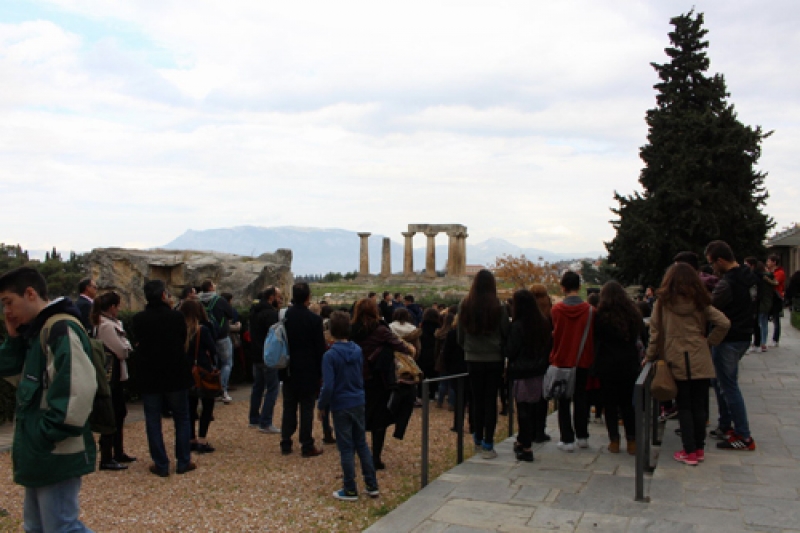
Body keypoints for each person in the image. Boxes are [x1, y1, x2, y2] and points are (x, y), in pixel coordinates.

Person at [0, 267, 97, 532]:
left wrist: (47, 434)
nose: (6, 311)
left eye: (8, 302)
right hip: (41, 450)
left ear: (30, 293)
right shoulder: (38, 332)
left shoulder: (60, 328)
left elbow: (78, 389)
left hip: (54, 449)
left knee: (61, 527)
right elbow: (11, 373)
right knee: (38, 526)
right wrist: (13, 339)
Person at [646, 263, 730, 465]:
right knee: (699, 405)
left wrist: (649, 356)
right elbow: (724, 323)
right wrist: (709, 342)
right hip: (699, 355)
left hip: (676, 356)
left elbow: (655, 333)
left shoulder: (663, 303)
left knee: (684, 406)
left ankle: (689, 450)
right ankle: (699, 449)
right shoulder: (701, 302)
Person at [132, 279, 195, 476]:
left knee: (153, 419)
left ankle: (161, 463)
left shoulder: (138, 319)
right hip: (175, 372)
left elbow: (138, 343)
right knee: (182, 418)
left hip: (150, 374)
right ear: (163, 295)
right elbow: (182, 338)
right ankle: (183, 460)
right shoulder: (176, 317)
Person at [317, 311, 379, 501]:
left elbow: (328, 386)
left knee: (345, 447)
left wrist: (321, 406)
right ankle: (371, 484)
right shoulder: (358, 350)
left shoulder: (330, 356)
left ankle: (350, 488)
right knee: (361, 443)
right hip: (358, 399)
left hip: (341, 403)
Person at [705, 240, 759, 451]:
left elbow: (711, 307)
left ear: (720, 260)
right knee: (721, 383)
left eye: (711, 264)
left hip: (728, 337)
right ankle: (726, 425)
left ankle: (743, 436)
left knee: (728, 386)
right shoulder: (749, 275)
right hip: (745, 334)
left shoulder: (728, 282)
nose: (712, 269)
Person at [350, 298, 414, 470]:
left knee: (357, 415)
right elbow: (403, 348)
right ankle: (376, 457)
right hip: (378, 379)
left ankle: (358, 452)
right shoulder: (381, 330)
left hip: (355, 377)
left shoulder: (351, 330)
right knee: (379, 418)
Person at [457, 269, 510, 459]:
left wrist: (469, 348)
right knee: (490, 400)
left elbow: (460, 336)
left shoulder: (465, 304)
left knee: (476, 399)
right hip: (493, 358)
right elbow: (505, 332)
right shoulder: (499, 306)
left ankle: (477, 436)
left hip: (473, 357)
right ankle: (488, 441)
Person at [592, 281, 642, 455]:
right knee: (628, 404)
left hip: (607, 364)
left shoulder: (601, 316)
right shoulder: (633, 314)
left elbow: (596, 339)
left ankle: (614, 440)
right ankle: (632, 440)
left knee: (610, 405)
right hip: (628, 363)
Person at [549, 271, 595, 453]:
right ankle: (582, 436)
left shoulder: (556, 310)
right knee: (582, 398)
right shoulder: (591, 311)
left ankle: (567, 438)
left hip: (562, 359)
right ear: (580, 286)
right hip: (583, 359)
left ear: (563, 287)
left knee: (563, 401)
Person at [280, 282, 326, 457]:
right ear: (308, 297)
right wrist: (321, 373)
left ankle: (285, 442)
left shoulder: (284, 317)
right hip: (308, 369)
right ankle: (306, 444)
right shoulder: (314, 320)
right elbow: (319, 348)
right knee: (307, 408)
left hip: (288, 368)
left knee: (289, 406)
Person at [91, 291, 135, 471]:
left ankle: (117, 450)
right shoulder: (106, 326)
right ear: (112, 307)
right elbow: (121, 349)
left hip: (114, 375)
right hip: (111, 376)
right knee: (112, 414)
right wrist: (126, 347)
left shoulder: (106, 323)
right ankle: (108, 456)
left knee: (119, 412)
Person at [506, 290, 552, 462]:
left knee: (523, 409)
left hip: (522, 371)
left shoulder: (517, 326)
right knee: (534, 407)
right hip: (539, 370)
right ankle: (524, 439)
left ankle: (526, 446)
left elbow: (511, 350)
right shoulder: (544, 323)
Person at [180, 300, 219, 454]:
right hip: (202, 369)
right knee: (207, 405)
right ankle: (202, 439)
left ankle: (190, 438)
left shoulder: (180, 329)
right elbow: (213, 349)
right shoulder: (202, 329)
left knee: (190, 406)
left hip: (186, 370)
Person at [247, 287, 282, 434]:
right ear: (271, 297)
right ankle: (266, 422)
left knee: (258, 387)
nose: (280, 300)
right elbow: (275, 337)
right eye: (279, 297)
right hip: (267, 355)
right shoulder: (270, 314)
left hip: (255, 354)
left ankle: (254, 418)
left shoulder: (254, 311)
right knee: (272, 389)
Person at [198, 280, 237, 403]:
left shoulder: (198, 302)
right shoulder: (219, 300)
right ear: (210, 287)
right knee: (227, 363)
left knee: (213, 365)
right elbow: (231, 314)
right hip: (222, 336)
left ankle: (211, 389)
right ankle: (222, 390)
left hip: (206, 336)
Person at [753, 261, 777, 352]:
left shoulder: (762, 278)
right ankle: (763, 342)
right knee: (763, 322)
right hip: (767, 302)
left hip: (762, 302)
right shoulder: (770, 276)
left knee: (760, 322)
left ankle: (762, 342)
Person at [767, 254, 786, 348]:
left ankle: (775, 339)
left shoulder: (780, 272)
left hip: (776, 297)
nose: (767, 263)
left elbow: (775, 283)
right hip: (770, 297)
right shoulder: (770, 271)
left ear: (774, 262)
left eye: (769, 261)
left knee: (776, 318)